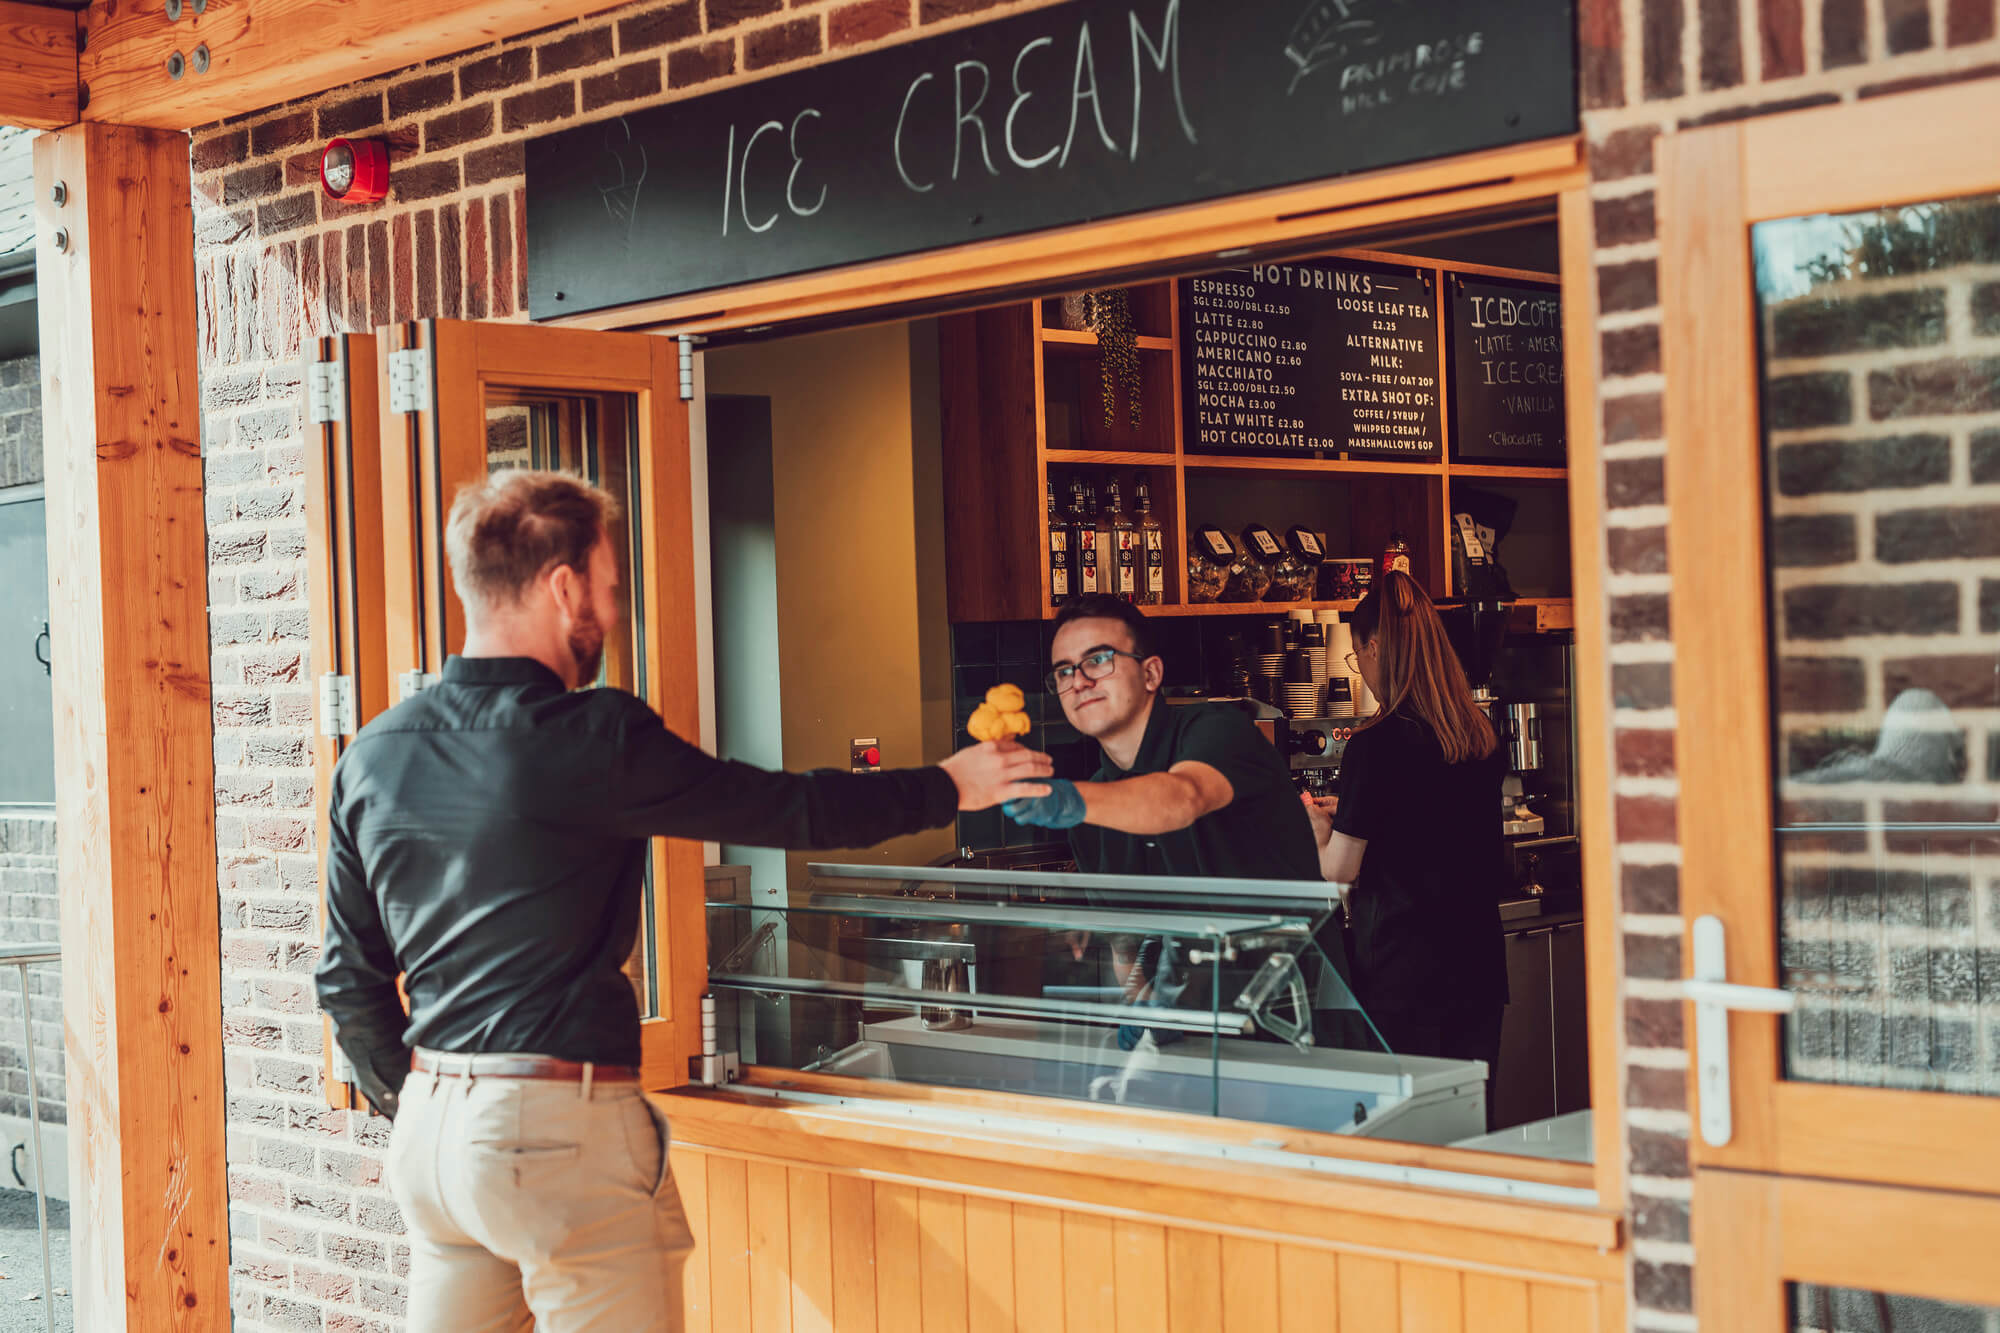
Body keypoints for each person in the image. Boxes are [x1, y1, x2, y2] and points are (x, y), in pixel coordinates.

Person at [315, 469, 1052, 1333]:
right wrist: (946, 787)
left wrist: (425, 1104)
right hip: (550, 1125)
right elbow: (783, 807)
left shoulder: (372, 753)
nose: (612, 610)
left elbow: (345, 979)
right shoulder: (591, 735)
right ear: (562, 587)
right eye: (608, 586)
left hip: (433, 1139)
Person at [1004, 595, 1321, 1062]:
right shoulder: (1094, 809)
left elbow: (1179, 798)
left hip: (1295, 1025)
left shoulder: (1218, 731)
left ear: (1151, 673)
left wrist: (1063, 799)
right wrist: (1144, 1013)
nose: (1079, 681)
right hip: (1196, 1048)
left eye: (1099, 659)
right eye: (1065, 671)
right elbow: (1127, 950)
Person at [1304, 571, 1508, 1077]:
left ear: (1374, 648)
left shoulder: (1375, 745)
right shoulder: (1477, 734)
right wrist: (1352, 808)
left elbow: (1339, 872)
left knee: (1409, 1134)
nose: (1361, 668)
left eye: (1356, 656)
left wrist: (1320, 830)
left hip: (1403, 976)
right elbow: (1428, 822)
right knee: (1467, 1121)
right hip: (1477, 969)